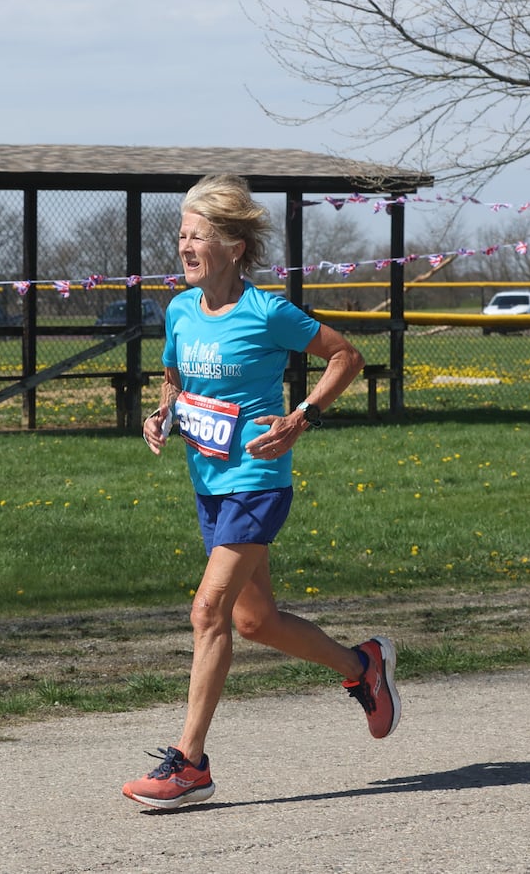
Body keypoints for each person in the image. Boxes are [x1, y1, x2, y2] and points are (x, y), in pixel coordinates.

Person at [121, 174, 400, 810]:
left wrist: (300, 417)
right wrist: (161, 411)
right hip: (209, 485)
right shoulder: (180, 310)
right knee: (255, 620)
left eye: (198, 235)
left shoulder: (266, 311)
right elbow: (173, 372)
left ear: (234, 244)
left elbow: (346, 357)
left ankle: (189, 764)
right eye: (182, 234)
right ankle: (363, 669)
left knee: (208, 612)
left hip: (257, 481)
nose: (185, 246)